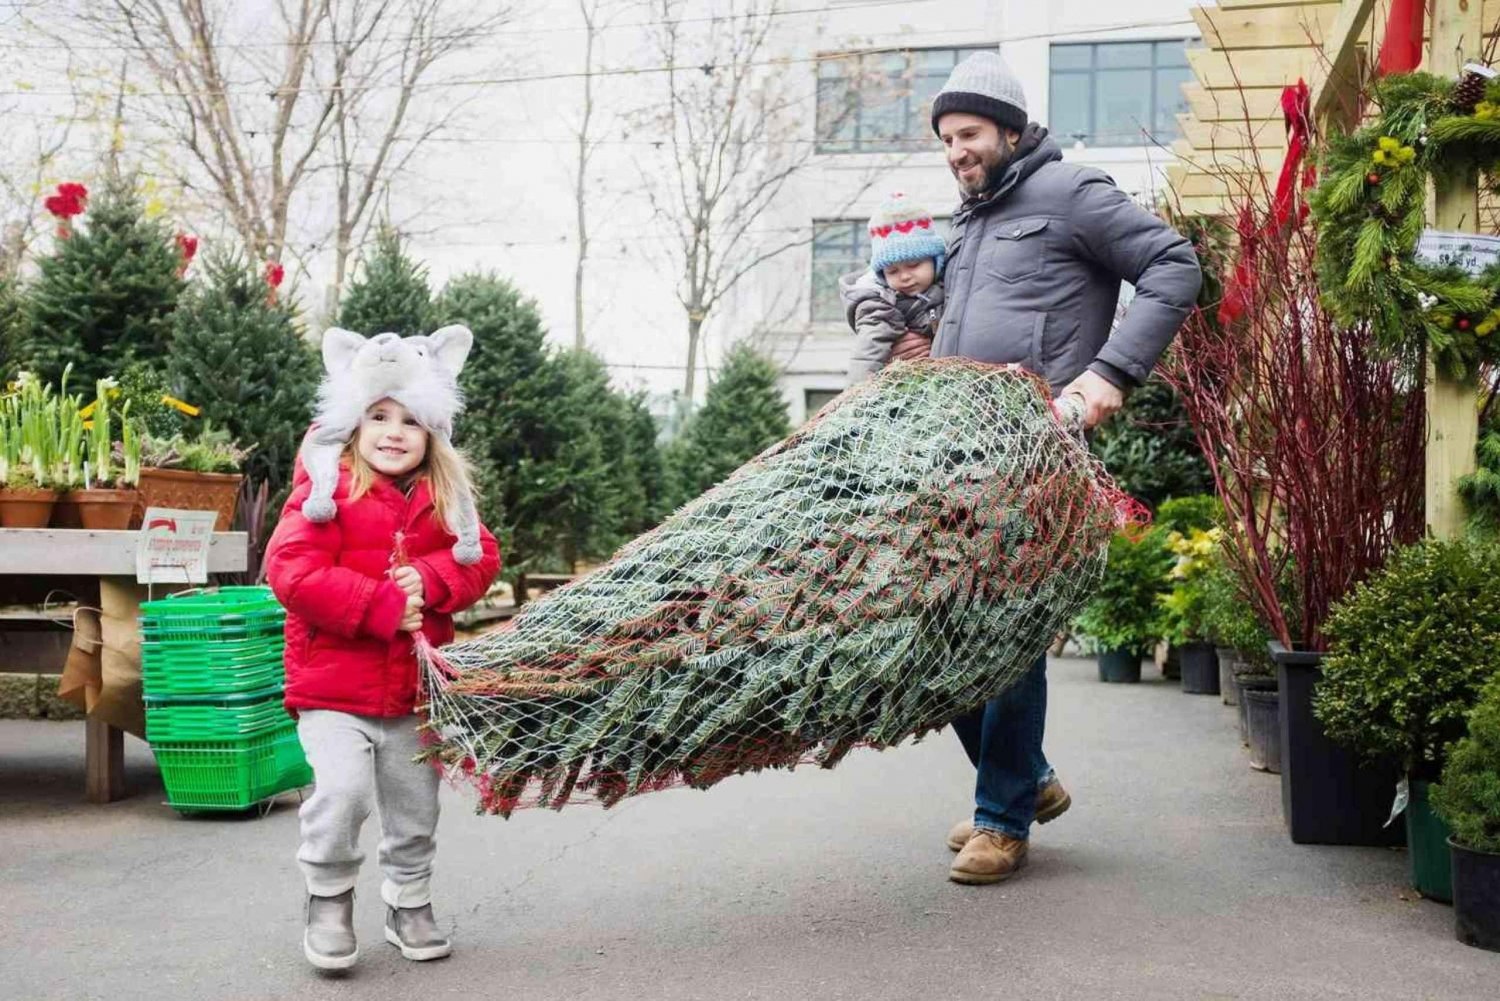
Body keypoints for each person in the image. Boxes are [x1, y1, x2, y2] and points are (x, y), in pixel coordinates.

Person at [914, 51, 1202, 885]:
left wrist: (1109, 373)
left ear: (1009, 127)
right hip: (957, 455)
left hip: (1041, 450)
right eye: (945, 138)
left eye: (968, 133)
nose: (956, 150)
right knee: (937, 633)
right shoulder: (967, 221)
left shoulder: (1072, 193)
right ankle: (1027, 779)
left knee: (1007, 625)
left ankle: (1001, 818)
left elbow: (1174, 266)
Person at [266, 326, 501, 970]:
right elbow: (292, 573)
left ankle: (409, 903)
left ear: (432, 434)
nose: (394, 431)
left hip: (411, 693)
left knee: (414, 809)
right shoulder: (324, 496)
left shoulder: (444, 498)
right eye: (378, 416)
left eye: (411, 421)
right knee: (340, 794)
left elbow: (480, 561)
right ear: (354, 422)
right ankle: (329, 899)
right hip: (332, 688)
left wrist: (429, 579)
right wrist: (384, 605)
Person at [840, 191, 948, 382]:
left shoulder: (952, 287)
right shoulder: (878, 305)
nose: (905, 277)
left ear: (936, 261)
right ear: (881, 275)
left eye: (914, 265)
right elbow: (867, 354)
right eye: (892, 271)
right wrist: (856, 394)